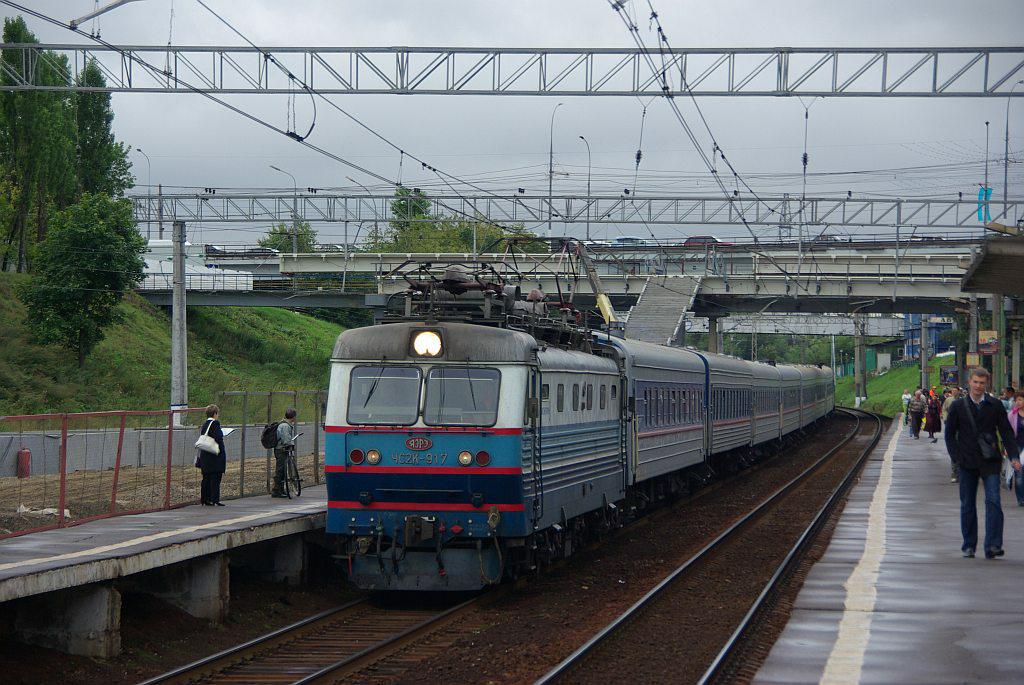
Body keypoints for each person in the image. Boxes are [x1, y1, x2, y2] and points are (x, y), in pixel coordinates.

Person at [944, 367, 1020, 559]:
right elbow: (949, 435)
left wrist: (1014, 456)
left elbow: (1006, 432)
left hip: (990, 461)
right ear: (969, 382)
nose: (978, 386)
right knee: (967, 504)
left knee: (994, 501)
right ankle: (969, 545)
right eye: (975, 382)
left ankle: (993, 545)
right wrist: (956, 457)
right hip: (967, 461)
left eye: (982, 383)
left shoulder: (995, 406)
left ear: (987, 384)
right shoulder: (958, 406)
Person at [197, 404, 227, 506]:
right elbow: (218, 437)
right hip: (214, 455)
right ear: (215, 413)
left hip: (205, 454)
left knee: (206, 478)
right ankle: (214, 499)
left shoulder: (205, 424)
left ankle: (205, 499)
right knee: (215, 478)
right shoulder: (215, 423)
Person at [272, 407, 297, 498]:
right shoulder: (286, 426)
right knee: (280, 470)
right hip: (281, 449)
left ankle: (280, 489)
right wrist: (291, 444)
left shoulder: (283, 423)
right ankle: (276, 491)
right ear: (293, 417)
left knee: (282, 469)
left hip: (279, 449)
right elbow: (286, 439)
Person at [1008, 391, 1024, 506]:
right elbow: (1007, 433)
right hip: (1017, 446)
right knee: (1019, 473)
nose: (1017, 402)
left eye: (1020, 400)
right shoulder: (1012, 415)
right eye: (1016, 400)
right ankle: (1021, 499)